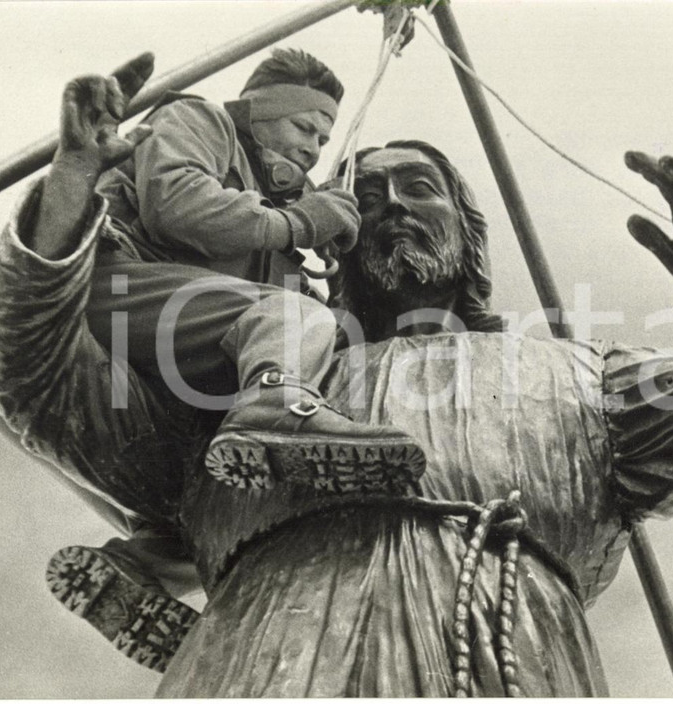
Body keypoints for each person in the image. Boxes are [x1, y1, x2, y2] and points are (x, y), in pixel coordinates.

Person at [0, 56, 673, 695]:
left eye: (418, 187)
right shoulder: (230, 392)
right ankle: (150, 563)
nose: (389, 205)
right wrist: (70, 192)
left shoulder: (573, 378)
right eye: (363, 192)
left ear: (469, 232)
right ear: (328, 243)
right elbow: (35, 382)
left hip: (503, 666)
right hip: (256, 669)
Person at [32, 51, 426, 671]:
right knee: (291, 322)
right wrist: (297, 222)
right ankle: (274, 406)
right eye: (304, 127)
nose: (314, 148)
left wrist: (323, 258)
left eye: (324, 137)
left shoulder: (272, 208)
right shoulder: (202, 122)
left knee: (217, 487)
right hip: (118, 288)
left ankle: (143, 564)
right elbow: (176, 201)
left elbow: (269, 302)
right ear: (259, 113)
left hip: (174, 342)